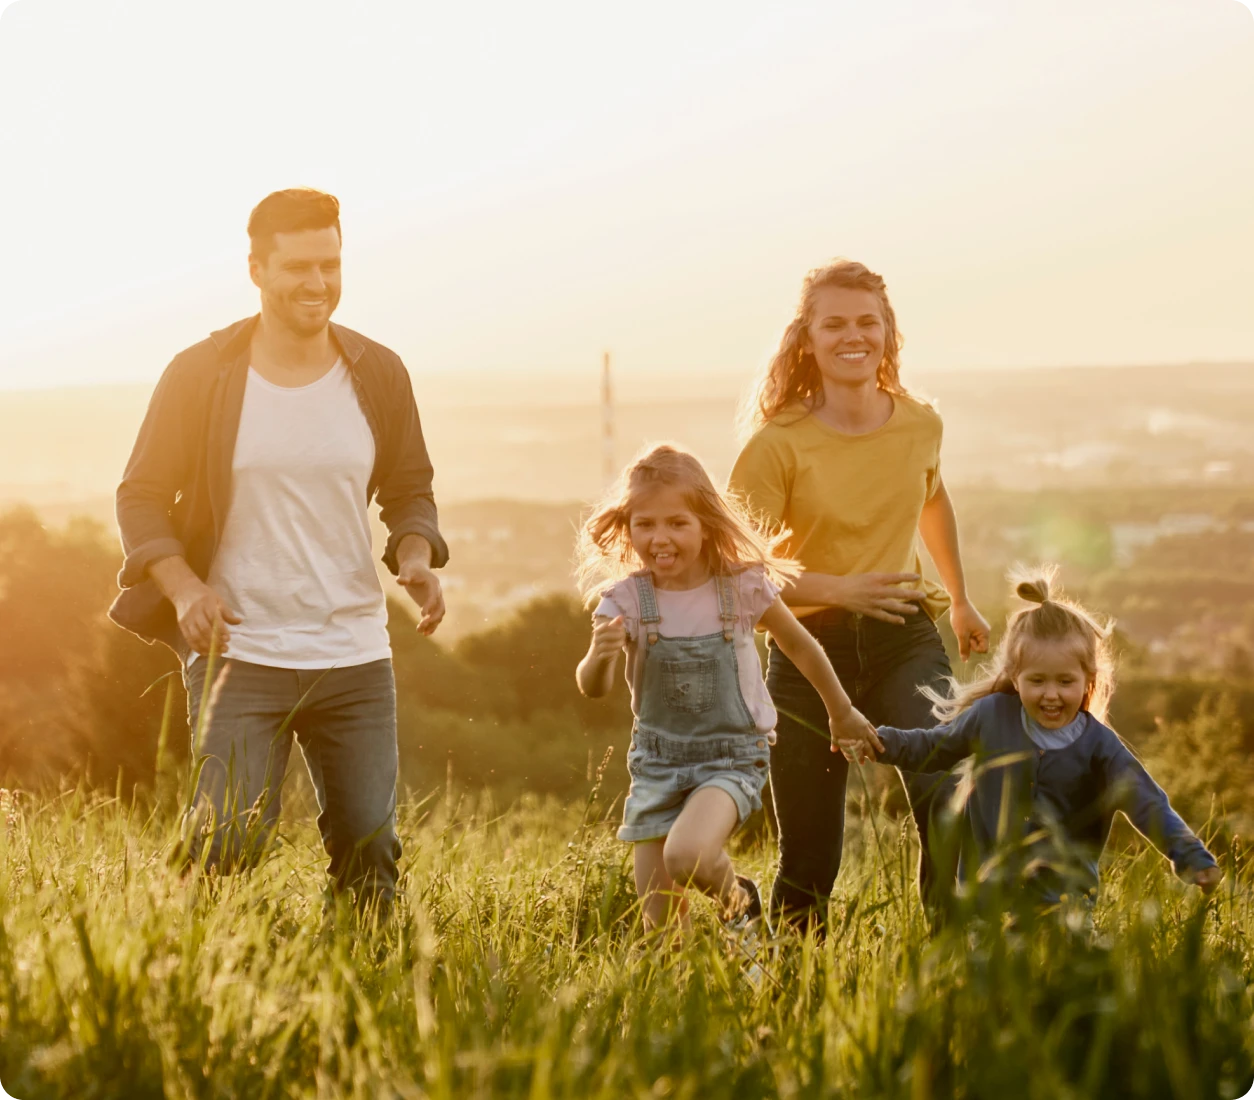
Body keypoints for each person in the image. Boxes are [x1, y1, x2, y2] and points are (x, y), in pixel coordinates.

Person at [110, 188, 448, 913]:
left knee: (369, 846)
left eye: (330, 264)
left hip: (353, 653)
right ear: (257, 267)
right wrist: (184, 589)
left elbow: (409, 487)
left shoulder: (378, 372)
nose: (318, 283)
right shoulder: (201, 374)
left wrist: (415, 555)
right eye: (299, 266)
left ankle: (364, 993)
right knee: (227, 838)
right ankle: (168, 965)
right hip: (239, 651)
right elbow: (138, 495)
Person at [729, 259, 991, 932]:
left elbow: (932, 498)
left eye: (867, 321)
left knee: (947, 796)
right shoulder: (775, 444)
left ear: (888, 332)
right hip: (806, 652)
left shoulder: (920, 424)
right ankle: (793, 990)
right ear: (806, 338)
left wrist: (959, 599)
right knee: (811, 853)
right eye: (835, 322)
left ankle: (950, 961)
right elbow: (738, 571)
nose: (854, 335)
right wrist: (837, 586)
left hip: (904, 638)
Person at [574, 444, 881, 936]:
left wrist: (841, 712)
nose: (660, 538)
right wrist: (598, 654)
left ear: (706, 524)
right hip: (657, 761)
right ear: (628, 528)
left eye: (678, 523)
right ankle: (703, 988)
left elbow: (801, 647)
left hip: (731, 756)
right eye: (645, 524)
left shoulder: (740, 588)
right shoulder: (626, 599)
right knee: (660, 932)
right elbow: (593, 687)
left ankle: (741, 903)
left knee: (688, 855)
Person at [854, 568, 1222, 910]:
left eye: (1065, 682)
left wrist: (1190, 856)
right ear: (1015, 677)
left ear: (1087, 681)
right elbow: (932, 747)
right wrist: (878, 740)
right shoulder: (991, 716)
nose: (1051, 694)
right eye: (1037, 681)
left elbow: (1149, 804)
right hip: (987, 907)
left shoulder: (1100, 747)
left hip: (1065, 909)